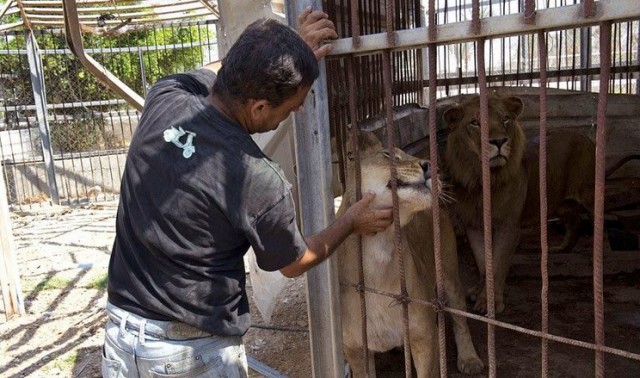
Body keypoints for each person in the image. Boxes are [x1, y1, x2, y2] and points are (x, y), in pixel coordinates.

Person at [101, 8, 393, 378]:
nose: (297, 110)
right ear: (258, 107)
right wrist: (349, 220)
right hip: (190, 355)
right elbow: (293, 261)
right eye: (292, 107)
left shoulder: (166, 98)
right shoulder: (256, 177)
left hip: (121, 338)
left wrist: (288, 53)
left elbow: (216, 68)